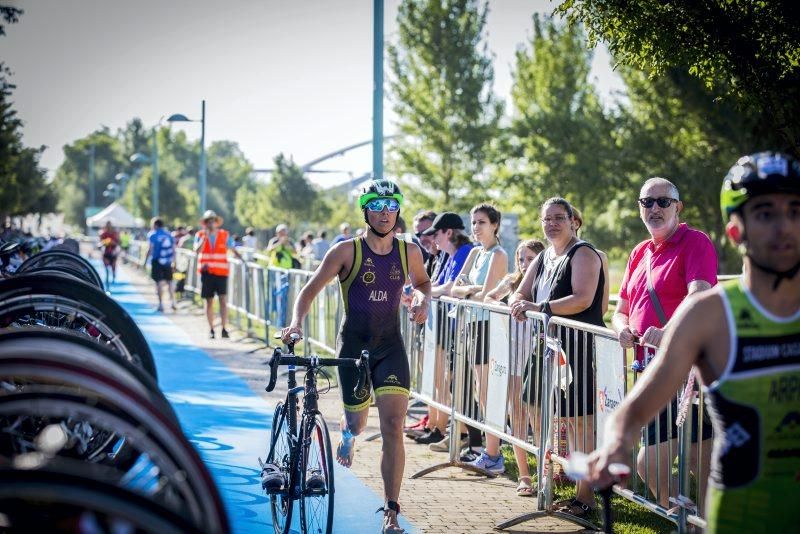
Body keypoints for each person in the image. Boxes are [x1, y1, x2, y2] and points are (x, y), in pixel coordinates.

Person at [588, 152, 800, 533]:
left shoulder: (693, 252)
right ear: (736, 230)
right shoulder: (709, 315)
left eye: (795, 212)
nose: (783, 227)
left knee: (698, 458)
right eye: (765, 213)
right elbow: (634, 412)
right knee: (669, 460)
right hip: (741, 516)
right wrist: (615, 444)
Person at [280, 179, 430, 534]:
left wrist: (423, 299)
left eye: (391, 206)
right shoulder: (346, 251)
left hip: (391, 348)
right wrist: (295, 323)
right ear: (365, 209)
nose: (384, 213)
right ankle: (348, 434)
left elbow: (423, 283)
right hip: (354, 349)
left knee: (394, 426)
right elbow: (309, 289)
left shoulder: (409, 252)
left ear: (398, 210)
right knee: (359, 425)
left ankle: (391, 512)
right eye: (377, 206)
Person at [611, 177, 717, 509]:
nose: (654, 208)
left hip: (689, 371)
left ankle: (701, 523)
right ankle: (687, 521)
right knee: (655, 464)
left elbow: (699, 294)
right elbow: (620, 310)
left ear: (677, 207)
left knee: (701, 465)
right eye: (647, 202)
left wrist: (668, 329)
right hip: (653, 373)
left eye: (663, 202)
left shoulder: (695, 241)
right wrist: (621, 328)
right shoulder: (638, 252)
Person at [509, 197, 605, 518]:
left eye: (558, 218)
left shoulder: (584, 253)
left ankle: (585, 497)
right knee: (552, 417)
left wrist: (538, 308)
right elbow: (520, 292)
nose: (551, 224)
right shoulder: (545, 256)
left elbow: (583, 299)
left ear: (573, 221)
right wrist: (518, 303)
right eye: (546, 219)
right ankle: (554, 482)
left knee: (580, 424)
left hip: (578, 347)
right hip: (548, 346)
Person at [411, 213, 478, 456]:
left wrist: (427, 294)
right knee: (449, 382)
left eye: (435, 234)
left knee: (461, 385)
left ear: (448, 233)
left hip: (463, 328)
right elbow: (440, 286)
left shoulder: (463, 252)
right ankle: (452, 431)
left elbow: (449, 288)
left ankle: (463, 436)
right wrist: (426, 293)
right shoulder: (451, 255)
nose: (432, 240)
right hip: (450, 326)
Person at [450, 204, 509, 473]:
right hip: (471, 324)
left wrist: (468, 290)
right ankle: (488, 449)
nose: (476, 228)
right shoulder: (474, 253)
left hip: (488, 325)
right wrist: (467, 290)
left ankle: (493, 452)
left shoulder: (498, 255)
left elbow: (487, 296)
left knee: (487, 391)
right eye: (473, 222)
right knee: (479, 390)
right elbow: (454, 288)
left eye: (482, 222)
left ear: (495, 225)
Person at [484, 238, 545, 494]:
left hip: (537, 355)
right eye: (521, 258)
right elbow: (488, 296)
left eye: (530, 259)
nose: (524, 263)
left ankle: (545, 476)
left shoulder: (545, 282)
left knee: (538, 419)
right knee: (517, 415)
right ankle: (524, 476)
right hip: (513, 356)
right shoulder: (511, 281)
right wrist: (502, 307)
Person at [195, 210, 243, 339]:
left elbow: (232, 249)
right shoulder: (200, 235)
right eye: (208, 221)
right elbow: (196, 250)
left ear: (216, 222)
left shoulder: (224, 235)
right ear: (205, 223)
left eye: (213, 221)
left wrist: (241, 259)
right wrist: (204, 238)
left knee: (223, 301)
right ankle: (211, 329)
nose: (211, 223)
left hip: (221, 273)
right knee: (209, 302)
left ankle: (224, 328)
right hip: (207, 273)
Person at [571, 207, 611, 315]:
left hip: (585, 326)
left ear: (575, 223)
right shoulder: (548, 257)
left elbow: (603, 305)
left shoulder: (599, 255)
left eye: (560, 218)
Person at [144, 217, 176, 312]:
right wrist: (174, 261)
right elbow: (174, 249)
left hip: (157, 260)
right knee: (170, 282)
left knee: (158, 282)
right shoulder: (169, 234)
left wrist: (145, 261)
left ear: (155, 225)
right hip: (167, 261)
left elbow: (150, 248)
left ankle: (161, 304)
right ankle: (172, 302)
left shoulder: (152, 235)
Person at [99, 220, 120, 286]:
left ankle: (113, 275)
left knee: (113, 267)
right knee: (107, 268)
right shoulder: (103, 234)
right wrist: (105, 242)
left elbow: (118, 242)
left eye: (109, 225)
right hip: (106, 252)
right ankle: (107, 279)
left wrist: (113, 242)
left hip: (113, 253)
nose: (108, 227)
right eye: (107, 225)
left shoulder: (115, 233)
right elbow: (100, 242)